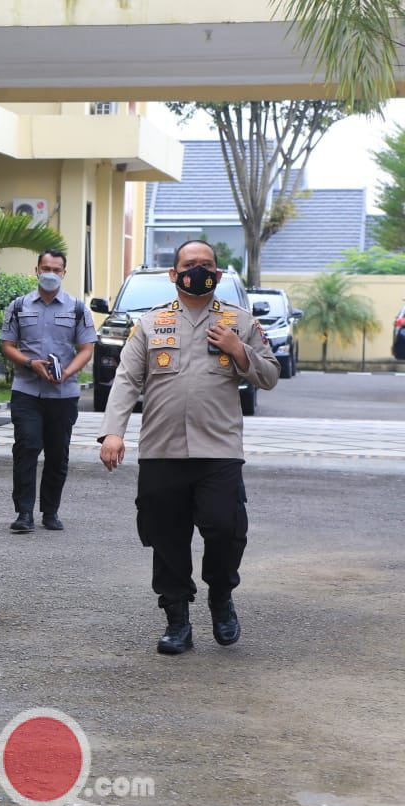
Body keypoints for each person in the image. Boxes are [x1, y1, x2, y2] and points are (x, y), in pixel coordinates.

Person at [98, 239, 279, 655]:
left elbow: (269, 376)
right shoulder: (149, 323)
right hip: (162, 451)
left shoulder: (240, 321)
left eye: (208, 265)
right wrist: (113, 432)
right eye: (190, 264)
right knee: (167, 538)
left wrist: (239, 350)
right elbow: (127, 379)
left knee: (225, 529)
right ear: (174, 273)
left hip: (219, 450)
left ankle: (221, 597)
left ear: (218, 273)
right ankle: (177, 619)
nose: (200, 270)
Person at [0, 250, 96, 533]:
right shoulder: (18, 306)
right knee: (26, 448)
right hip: (26, 390)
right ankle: (24, 512)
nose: (50, 273)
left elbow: (87, 349)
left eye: (56, 269)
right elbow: (7, 345)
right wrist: (30, 363)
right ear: (37, 270)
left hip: (63, 394)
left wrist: (67, 372)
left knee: (57, 453)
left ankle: (50, 511)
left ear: (64, 273)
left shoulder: (78, 309)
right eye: (45, 268)